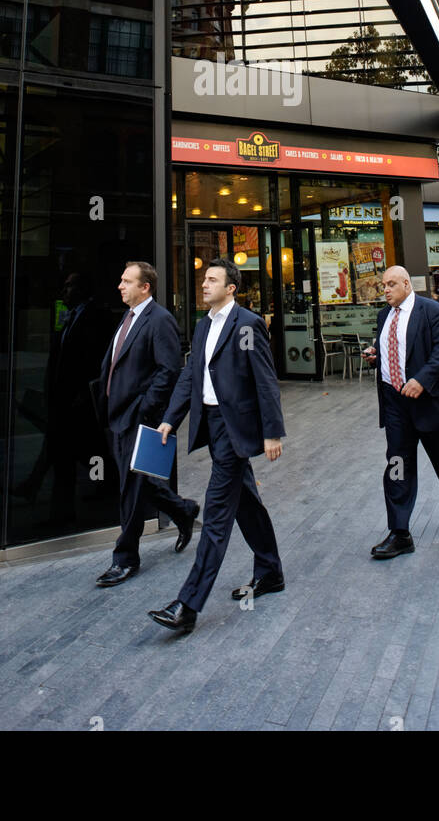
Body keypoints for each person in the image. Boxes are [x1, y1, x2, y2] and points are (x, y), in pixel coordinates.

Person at [148, 257, 285, 636]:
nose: (203, 284)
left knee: (218, 514)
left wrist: (272, 432)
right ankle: (271, 572)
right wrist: (170, 418)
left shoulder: (248, 325)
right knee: (247, 503)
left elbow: (266, 381)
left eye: (212, 279)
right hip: (214, 426)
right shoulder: (202, 325)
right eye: (203, 279)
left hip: (236, 428)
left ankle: (188, 605)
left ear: (231, 288)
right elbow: (190, 376)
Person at [92, 262, 200, 588]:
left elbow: (169, 371)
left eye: (127, 281)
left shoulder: (160, 320)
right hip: (116, 416)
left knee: (130, 488)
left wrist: (145, 410)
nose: (120, 286)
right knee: (137, 481)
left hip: (138, 418)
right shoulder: (128, 317)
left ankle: (125, 559)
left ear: (145, 287)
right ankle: (183, 510)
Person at [362, 266, 439, 559]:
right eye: (383, 285)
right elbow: (394, 347)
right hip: (396, 404)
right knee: (397, 465)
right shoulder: (384, 316)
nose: (385, 289)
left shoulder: (433, 311)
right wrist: (377, 356)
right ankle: (400, 533)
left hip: (432, 402)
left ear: (407, 285)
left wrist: (422, 380)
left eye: (391, 284)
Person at [12, 272, 107, 525]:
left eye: (69, 286)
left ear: (81, 290)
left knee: (66, 453)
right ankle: (39, 491)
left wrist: (82, 395)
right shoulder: (71, 316)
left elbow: (92, 359)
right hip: (62, 398)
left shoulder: (91, 317)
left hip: (76, 401)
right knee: (62, 448)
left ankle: (60, 508)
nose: (63, 291)